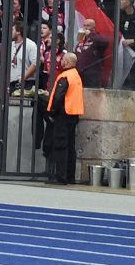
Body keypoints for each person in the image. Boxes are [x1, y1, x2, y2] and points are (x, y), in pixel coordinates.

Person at [43, 51, 85, 185]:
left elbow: (58, 97)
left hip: (63, 114)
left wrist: (52, 112)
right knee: (70, 146)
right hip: (73, 114)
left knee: (61, 145)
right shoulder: (76, 75)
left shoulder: (65, 76)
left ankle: (61, 176)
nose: (60, 62)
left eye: (62, 61)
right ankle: (70, 176)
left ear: (66, 62)